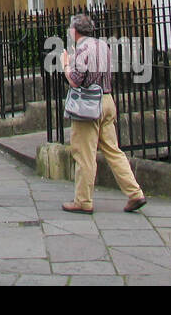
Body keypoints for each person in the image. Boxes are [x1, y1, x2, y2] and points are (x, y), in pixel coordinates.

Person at [60, 13, 147, 214]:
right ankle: (135, 193)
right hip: (107, 101)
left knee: (84, 154)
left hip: (89, 105)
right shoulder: (103, 46)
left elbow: (75, 80)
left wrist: (65, 63)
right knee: (113, 150)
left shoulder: (82, 49)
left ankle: (83, 201)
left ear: (75, 31)